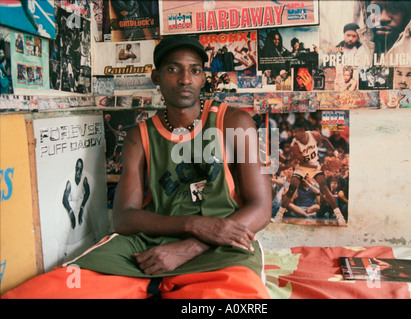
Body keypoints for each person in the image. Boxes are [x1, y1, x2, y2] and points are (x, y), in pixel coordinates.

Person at [2, 35, 271, 299]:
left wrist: (192, 245)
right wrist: (194, 225)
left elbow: (261, 208)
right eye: (173, 69)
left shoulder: (235, 122)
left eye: (195, 70)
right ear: (157, 78)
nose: (185, 79)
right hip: (147, 246)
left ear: (203, 77)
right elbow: (123, 218)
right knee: (45, 292)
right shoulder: (139, 136)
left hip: (222, 245)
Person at [272, 122, 346, 226]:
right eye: (293, 133)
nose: (294, 135)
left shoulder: (313, 134)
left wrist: (335, 153)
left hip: (315, 164)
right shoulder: (295, 144)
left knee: (324, 188)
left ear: (302, 130)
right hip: (302, 167)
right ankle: (279, 216)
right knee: (291, 189)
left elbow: (324, 140)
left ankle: (339, 217)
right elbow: (302, 162)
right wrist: (317, 166)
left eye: (296, 133)